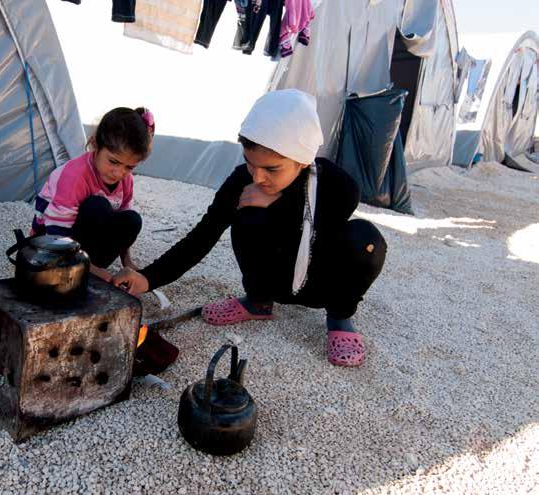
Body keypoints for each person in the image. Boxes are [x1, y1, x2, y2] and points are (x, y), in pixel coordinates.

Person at [112, 90, 386, 367]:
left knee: (366, 239)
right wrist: (148, 278)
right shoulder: (244, 182)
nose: (258, 176)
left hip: (320, 282)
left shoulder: (335, 185)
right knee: (248, 211)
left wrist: (280, 203)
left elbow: (329, 220)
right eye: (250, 163)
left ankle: (339, 317)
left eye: (272, 169)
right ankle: (258, 302)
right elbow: (203, 235)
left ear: (301, 161)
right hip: (273, 280)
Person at [30, 107, 155, 282]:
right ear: (95, 144)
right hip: (50, 245)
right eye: (113, 161)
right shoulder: (74, 176)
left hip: (84, 245)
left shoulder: (126, 180)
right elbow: (55, 236)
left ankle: (88, 266)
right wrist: (93, 270)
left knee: (132, 219)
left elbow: (121, 222)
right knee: (98, 205)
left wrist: (127, 261)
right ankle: (84, 268)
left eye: (129, 167)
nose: (118, 173)